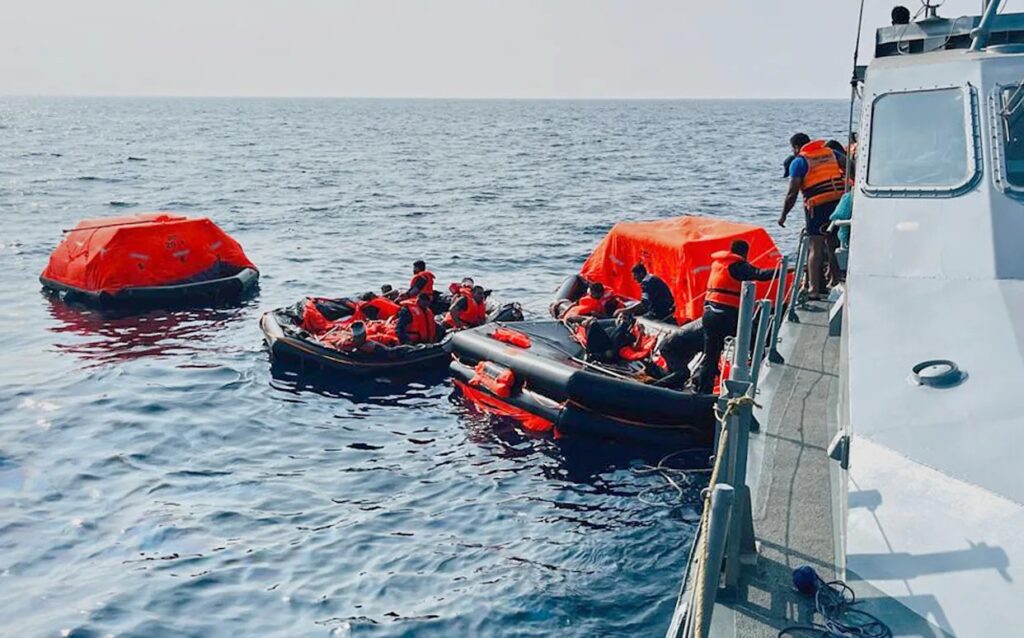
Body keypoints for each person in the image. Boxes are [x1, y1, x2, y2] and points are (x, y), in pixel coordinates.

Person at [695, 240, 778, 394]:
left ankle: (703, 389)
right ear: (744, 252)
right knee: (753, 337)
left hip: (709, 314)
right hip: (726, 315)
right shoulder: (738, 266)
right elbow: (760, 274)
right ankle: (758, 372)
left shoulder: (719, 264)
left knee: (711, 354)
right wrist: (784, 270)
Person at [779, 132, 847, 299]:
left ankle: (814, 290)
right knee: (833, 243)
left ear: (795, 147)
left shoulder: (799, 161)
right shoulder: (832, 153)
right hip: (837, 203)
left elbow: (792, 193)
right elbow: (852, 168)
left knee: (814, 247)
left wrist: (783, 216)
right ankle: (837, 283)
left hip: (817, 207)